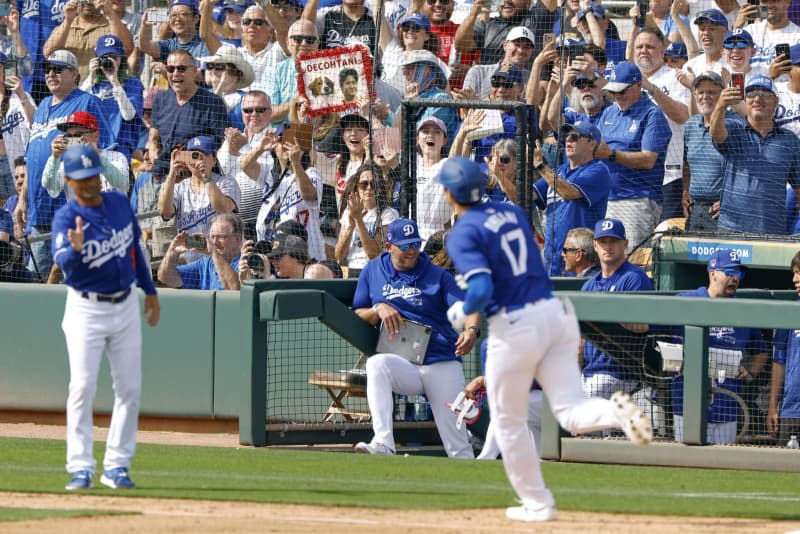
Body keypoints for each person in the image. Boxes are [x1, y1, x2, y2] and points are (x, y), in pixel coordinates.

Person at [437, 157, 651, 522]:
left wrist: (463, 312)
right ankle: (619, 412)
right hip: (555, 317)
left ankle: (537, 503)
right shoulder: (512, 216)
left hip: (518, 325)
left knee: (507, 419)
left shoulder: (463, 233)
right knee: (567, 410)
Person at [51, 145, 159, 491]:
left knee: (129, 388)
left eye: (93, 175)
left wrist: (151, 292)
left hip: (126, 303)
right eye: (82, 179)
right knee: (82, 387)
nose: (89, 183)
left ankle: (116, 467)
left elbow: (135, 252)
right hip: (86, 308)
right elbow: (64, 262)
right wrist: (77, 249)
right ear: (69, 180)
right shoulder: (67, 218)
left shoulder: (117, 203)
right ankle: (80, 467)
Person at [351, 218, 479, 458]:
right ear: (389, 246)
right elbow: (358, 312)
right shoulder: (373, 270)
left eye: (415, 244)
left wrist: (472, 331)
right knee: (377, 364)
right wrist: (378, 308)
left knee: (459, 447)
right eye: (405, 245)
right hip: (404, 362)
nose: (412, 251)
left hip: (440, 360)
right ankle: (383, 444)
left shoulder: (437, 275)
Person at [25, 49, 112, 280]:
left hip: (69, 210)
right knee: (37, 281)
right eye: (47, 69)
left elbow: (105, 146)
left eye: (58, 69)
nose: (51, 74)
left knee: (67, 279)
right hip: (38, 208)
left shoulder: (87, 101)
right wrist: (22, 199)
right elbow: (32, 157)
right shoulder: (43, 104)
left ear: (75, 74)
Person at [671, 249, 769, 444]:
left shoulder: (742, 311)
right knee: (686, 463)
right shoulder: (686, 300)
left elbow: (762, 351)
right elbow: (652, 328)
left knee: (723, 464)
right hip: (689, 402)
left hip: (727, 405)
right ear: (712, 273)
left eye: (738, 274)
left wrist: (749, 372)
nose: (735, 278)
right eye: (729, 272)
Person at [594, 61, 671, 252]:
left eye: (622, 91)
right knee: (606, 257)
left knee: (632, 258)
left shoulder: (652, 114)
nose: (617, 97)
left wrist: (611, 154)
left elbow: (648, 159)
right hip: (606, 198)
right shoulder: (609, 112)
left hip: (636, 199)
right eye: (613, 92)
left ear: (638, 86)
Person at [710, 75, 800, 235]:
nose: (758, 98)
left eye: (765, 93)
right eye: (751, 93)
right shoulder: (733, 129)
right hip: (731, 229)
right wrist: (720, 106)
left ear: (776, 101)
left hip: (773, 232)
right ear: (745, 100)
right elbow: (717, 134)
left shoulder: (790, 140)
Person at [581, 218, 653, 402]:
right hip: (590, 372)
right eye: (603, 242)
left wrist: (604, 316)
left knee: (586, 409)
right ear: (595, 246)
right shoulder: (590, 285)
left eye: (613, 241)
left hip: (621, 372)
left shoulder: (634, 278)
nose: (608, 247)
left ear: (625, 244)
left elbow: (641, 325)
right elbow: (579, 340)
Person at [532, 121, 610, 277]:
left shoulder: (598, 170)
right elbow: (524, 197)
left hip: (580, 257)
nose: (568, 140)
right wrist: (502, 174)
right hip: (553, 255)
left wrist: (540, 166)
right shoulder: (558, 171)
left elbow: (567, 193)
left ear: (591, 143)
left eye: (574, 137)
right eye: (566, 137)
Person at [631, 27, 690, 222]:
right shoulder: (627, 80)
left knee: (665, 232)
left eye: (650, 46)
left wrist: (652, 90)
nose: (644, 51)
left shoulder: (675, 76)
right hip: (635, 173)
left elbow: (683, 116)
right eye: (639, 47)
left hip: (670, 173)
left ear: (662, 51)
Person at [149, 49, 230, 175]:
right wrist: (155, 161)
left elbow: (223, 145)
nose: (175, 74)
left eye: (181, 69)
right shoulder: (161, 98)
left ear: (194, 72)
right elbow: (153, 139)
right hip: (163, 173)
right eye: (170, 69)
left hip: (198, 175)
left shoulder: (212, 102)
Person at [218, 90, 276, 240]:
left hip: (265, 220)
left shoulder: (277, 139)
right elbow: (219, 175)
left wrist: (243, 148)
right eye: (248, 110)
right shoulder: (234, 140)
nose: (254, 114)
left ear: (270, 112)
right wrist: (231, 150)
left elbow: (263, 176)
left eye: (260, 110)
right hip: (234, 223)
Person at [158, 135, 241, 237]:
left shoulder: (227, 181)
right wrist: (172, 174)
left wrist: (206, 177)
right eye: (193, 155)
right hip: (189, 249)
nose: (197, 160)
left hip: (218, 248)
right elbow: (165, 212)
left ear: (214, 160)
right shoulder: (179, 188)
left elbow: (223, 209)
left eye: (202, 155)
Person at [81, 34, 146, 163]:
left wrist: (115, 82)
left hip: (119, 149)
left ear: (122, 59)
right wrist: (90, 78)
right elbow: (77, 107)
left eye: (114, 57)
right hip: (92, 148)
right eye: (105, 57)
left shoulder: (132, 83)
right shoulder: (92, 85)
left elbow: (128, 115)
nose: (110, 61)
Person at [682, 70, 733, 232]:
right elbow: (686, 165)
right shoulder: (690, 125)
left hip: (723, 212)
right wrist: (685, 192)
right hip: (695, 210)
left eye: (711, 92)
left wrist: (731, 200)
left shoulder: (735, 124)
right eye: (701, 92)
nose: (705, 96)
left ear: (722, 94)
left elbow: (746, 170)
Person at [42, 111, 130, 202]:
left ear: (95, 136)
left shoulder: (116, 157)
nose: (74, 139)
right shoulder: (66, 164)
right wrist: (54, 158)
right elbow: (50, 187)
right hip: (81, 216)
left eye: (78, 134)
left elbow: (123, 184)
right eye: (69, 136)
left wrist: (97, 157)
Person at [43, 0, 135, 80]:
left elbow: (127, 49)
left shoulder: (112, 25)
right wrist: (67, 20)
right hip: (72, 91)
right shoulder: (66, 27)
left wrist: (110, 12)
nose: (89, 3)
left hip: (103, 90)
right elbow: (48, 53)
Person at [335, 164, 399, 277]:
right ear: (357, 187)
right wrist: (350, 226)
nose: (369, 188)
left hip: (377, 270)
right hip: (353, 270)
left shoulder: (389, 214)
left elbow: (374, 254)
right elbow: (339, 256)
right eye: (364, 184)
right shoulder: (348, 212)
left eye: (373, 184)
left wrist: (358, 220)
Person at [158, 212, 243, 289]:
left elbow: (234, 287)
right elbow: (165, 278)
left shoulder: (246, 262)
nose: (214, 242)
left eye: (221, 237)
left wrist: (214, 253)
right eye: (212, 237)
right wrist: (172, 253)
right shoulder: (204, 264)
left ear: (237, 239)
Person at [769, 250, 800, 442]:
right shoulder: (789, 311)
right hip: (792, 410)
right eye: (794, 274)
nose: (795, 279)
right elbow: (779, 361)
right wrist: (773, 405)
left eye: (799, 273)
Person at [459, 26, 534, 100]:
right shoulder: (478, 72)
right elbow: (463, 108)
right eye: (517, 44)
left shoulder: (532, 79)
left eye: (526, 47)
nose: (520, 50)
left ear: (532, 51)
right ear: (505, 45)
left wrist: (477, 103)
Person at [0, 53, 35, 204]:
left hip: (17, 164)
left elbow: (36, 124)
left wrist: (21, 95)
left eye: (1, 67)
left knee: (20, 208)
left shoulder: (19, 96)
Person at [140, 0, 210, 62]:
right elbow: (145, 46)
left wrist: (166, 70)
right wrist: (145, 26)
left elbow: (201, 74)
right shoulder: (169, 45)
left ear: (196, 18)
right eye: (173, 15)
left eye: (183, 14)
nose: (177, 19)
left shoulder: (206, 44)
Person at [266, 231, 334, 279]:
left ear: (295, 256)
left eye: (277, 257)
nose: (273, 262)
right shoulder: (292, 280)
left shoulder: (314, 271)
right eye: (272, 258)